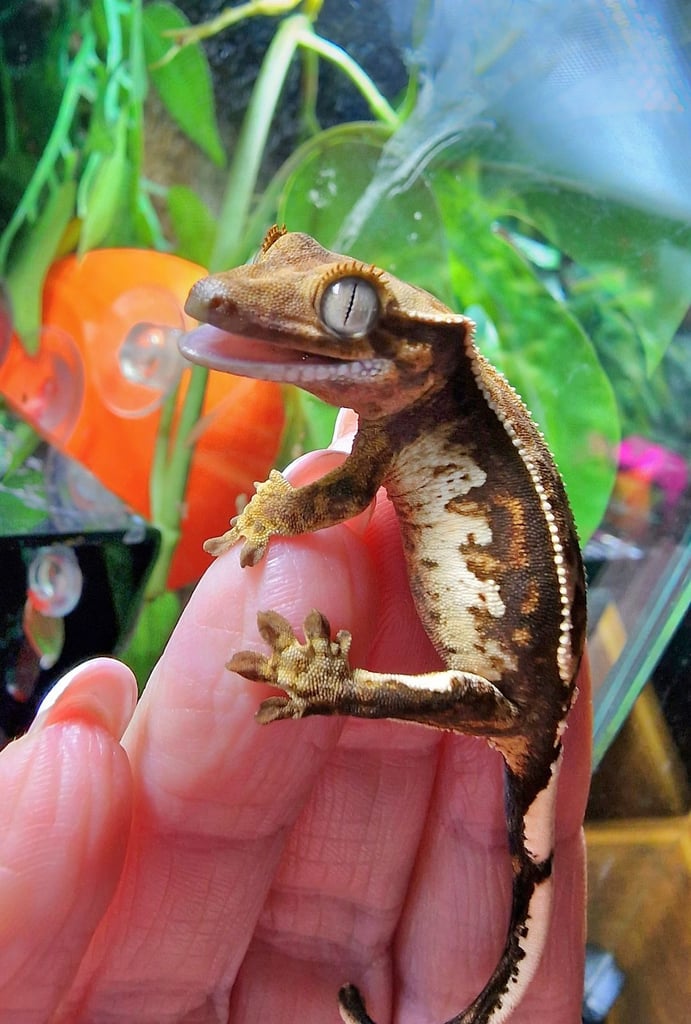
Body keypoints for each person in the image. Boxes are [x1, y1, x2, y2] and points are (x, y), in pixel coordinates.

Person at [0, 416, 591, 1023]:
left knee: (508, 796)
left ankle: (336, 686)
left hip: (518, 689)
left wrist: (280, 525)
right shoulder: (402, 416)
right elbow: (352, 485)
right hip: (518, 665)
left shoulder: (416, 407)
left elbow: (350, 491)